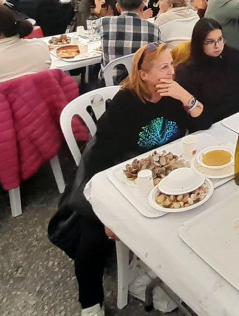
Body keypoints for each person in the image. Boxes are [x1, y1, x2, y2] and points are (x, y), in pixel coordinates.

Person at [63, 43, 204, 314]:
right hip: (124, 174)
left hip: (167, 173)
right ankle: (90, 303)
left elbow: (200, 125)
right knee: (91, 237)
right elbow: (99, 156)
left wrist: (187, 98)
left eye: (171, 65)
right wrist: (106, 211)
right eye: (164, 67)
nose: (172, 72)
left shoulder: (174, 92)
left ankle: (177, 278)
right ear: (143, 75)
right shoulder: (126, 104)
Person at [174, 18, 239, 129]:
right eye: (210, 42)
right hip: (212, 128)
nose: (218, 46)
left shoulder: (233, 56)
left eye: (220, 39)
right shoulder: (187, 73)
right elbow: (195, 122)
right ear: (199, 43)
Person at [92, 0, 161, 65]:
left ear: (117, 7)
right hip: (140, 75)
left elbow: (90, 29)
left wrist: (96, 10)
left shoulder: (104, 22)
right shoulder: (154, 29)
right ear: (142, 7)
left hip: (111, 75)